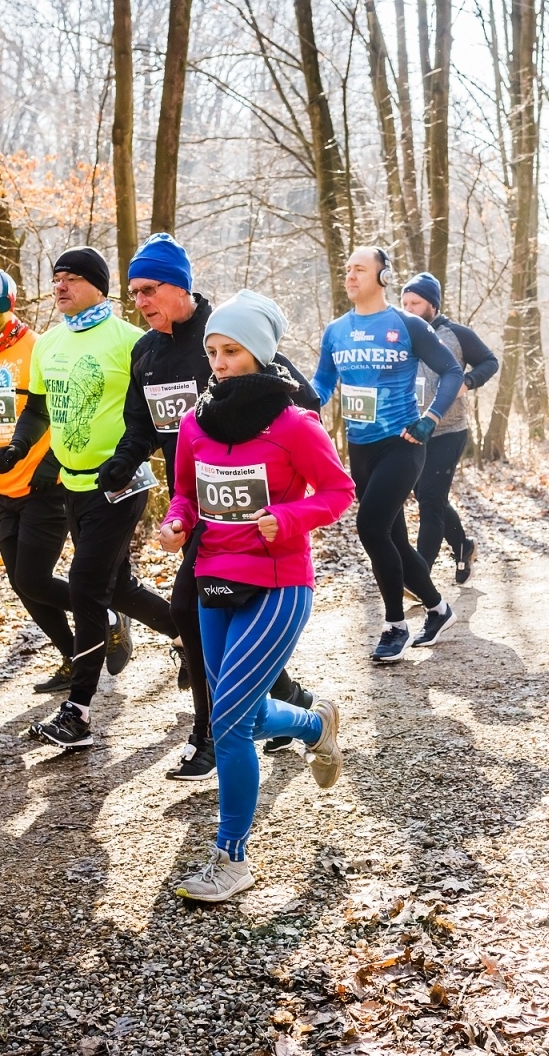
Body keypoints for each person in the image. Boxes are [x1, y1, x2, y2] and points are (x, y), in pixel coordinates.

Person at [101, 234, 321, 780]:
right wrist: (122, 461)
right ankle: (282, 698)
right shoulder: (145, 351)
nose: (141, 302)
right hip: (194, 503)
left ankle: (210, 734)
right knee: (205, 611)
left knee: (191, 611)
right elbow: (141, 426)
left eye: (150, 289)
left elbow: (301, 396)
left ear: (181, 286)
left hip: (253, 512)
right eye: (133, 293)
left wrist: (274, 452)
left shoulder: (225, 333)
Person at [159, 291, 354, 901]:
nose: (218, 361)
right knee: (235, 713)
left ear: (260, 354)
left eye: (232, 351)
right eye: (213, 351)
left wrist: (290, 518)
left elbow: (338, 491)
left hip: (278, 584)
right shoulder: (196, 422)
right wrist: (177, 523)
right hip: (215, 580)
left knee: (228, 723)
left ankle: (232, 860)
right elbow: (186, 494)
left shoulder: (294, 424)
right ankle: (314, 723)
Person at [0, 246, 179, 747]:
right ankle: (187, 638)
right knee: (115, 586)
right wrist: (19, 444)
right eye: (56, 278)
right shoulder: (48, 343)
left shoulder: (132, 341)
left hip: (121, 483)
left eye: (72, 278)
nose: (60, 286)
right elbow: (38, 410)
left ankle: (77, 712)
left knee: (85, 587)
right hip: (72, 483)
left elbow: (153, 416)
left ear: (98, 285)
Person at [0, 269, 132, 695]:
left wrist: (49, 467)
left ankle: (106, 618)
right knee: (24, 585)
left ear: (5, 304)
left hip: (44, 487)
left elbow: (51, 410)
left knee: (33, 579)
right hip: (3, 490)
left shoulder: (37, 348)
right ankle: (74, 654)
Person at [314, 247, 464, 661]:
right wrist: (302, 404)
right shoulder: (336, 331)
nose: (350, 276)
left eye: (359, 269)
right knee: (392, 537)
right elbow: (323, 385)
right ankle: (438, 607)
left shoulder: (407, 324)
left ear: (382, 277)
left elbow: (451, 371)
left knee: (370, 528)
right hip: (360, 449)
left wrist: (431, 418)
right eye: (347, 269)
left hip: (404, 444)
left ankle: (395, 624)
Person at [398, 273, 499, 584]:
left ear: (433, 305)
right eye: (403, 303)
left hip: (448, 430)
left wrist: (467, 382)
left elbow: (489, 361)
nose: (408, 308)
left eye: (415, 303)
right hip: (411, 430)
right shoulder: (399, 334)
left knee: (429, 500)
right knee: (432, 498)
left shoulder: (456, 334)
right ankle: (464, 547)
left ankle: (419, 578)